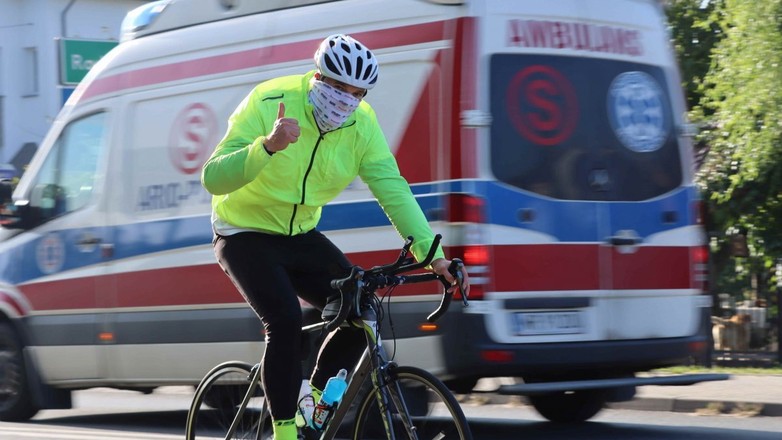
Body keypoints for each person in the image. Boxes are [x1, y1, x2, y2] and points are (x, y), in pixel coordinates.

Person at [201, 34, 470, 440]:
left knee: (360, 309)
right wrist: (267, 147)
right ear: (317, 78)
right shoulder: (270, 100)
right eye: (338, 87)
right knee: (285, 320)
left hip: (300, 234)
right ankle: (285, 433)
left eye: (357, 93)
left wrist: (434, 257)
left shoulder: (362, 125)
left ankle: (312, 409)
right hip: (243, 231)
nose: (346, 100)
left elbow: (392, 189)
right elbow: (213, 177)